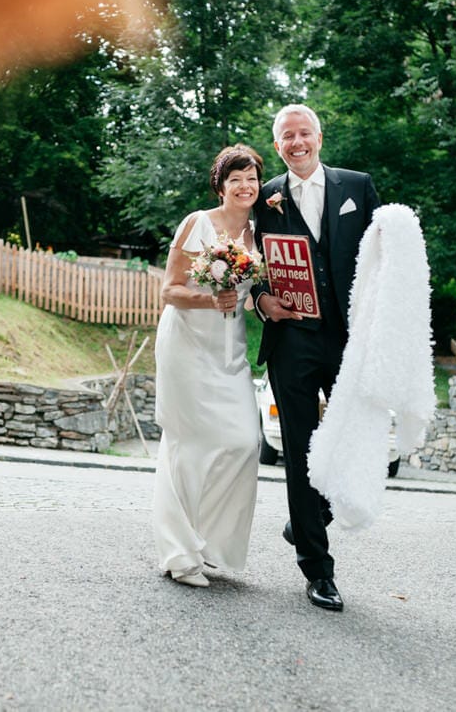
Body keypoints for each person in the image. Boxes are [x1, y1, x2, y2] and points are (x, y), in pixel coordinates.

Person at [252, 104, 380, 611]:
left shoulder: (359, 186)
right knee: (300, 453)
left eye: (304, 133)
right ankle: (318, 571)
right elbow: (246, 258)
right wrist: (262, 300)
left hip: (349, 338)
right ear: (277, 144)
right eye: (287, 136)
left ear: (320, 137)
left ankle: (311, 515)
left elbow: (381, 260)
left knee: (352, 440)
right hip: (292, 340)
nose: (297, 142)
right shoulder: (261, 197)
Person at [152, 144, 263, 587]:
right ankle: (180, 555)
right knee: (189, 444)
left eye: (251, 177)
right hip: (187, 344)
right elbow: (169, 290)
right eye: (234, 178)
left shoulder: (259, 234)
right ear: (220, 186)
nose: (244, 185)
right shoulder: (197, 223)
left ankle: (211, 544)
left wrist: (263, 302)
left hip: (229, 351)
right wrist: (208, 298)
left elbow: (251, 295)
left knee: (245, 441)